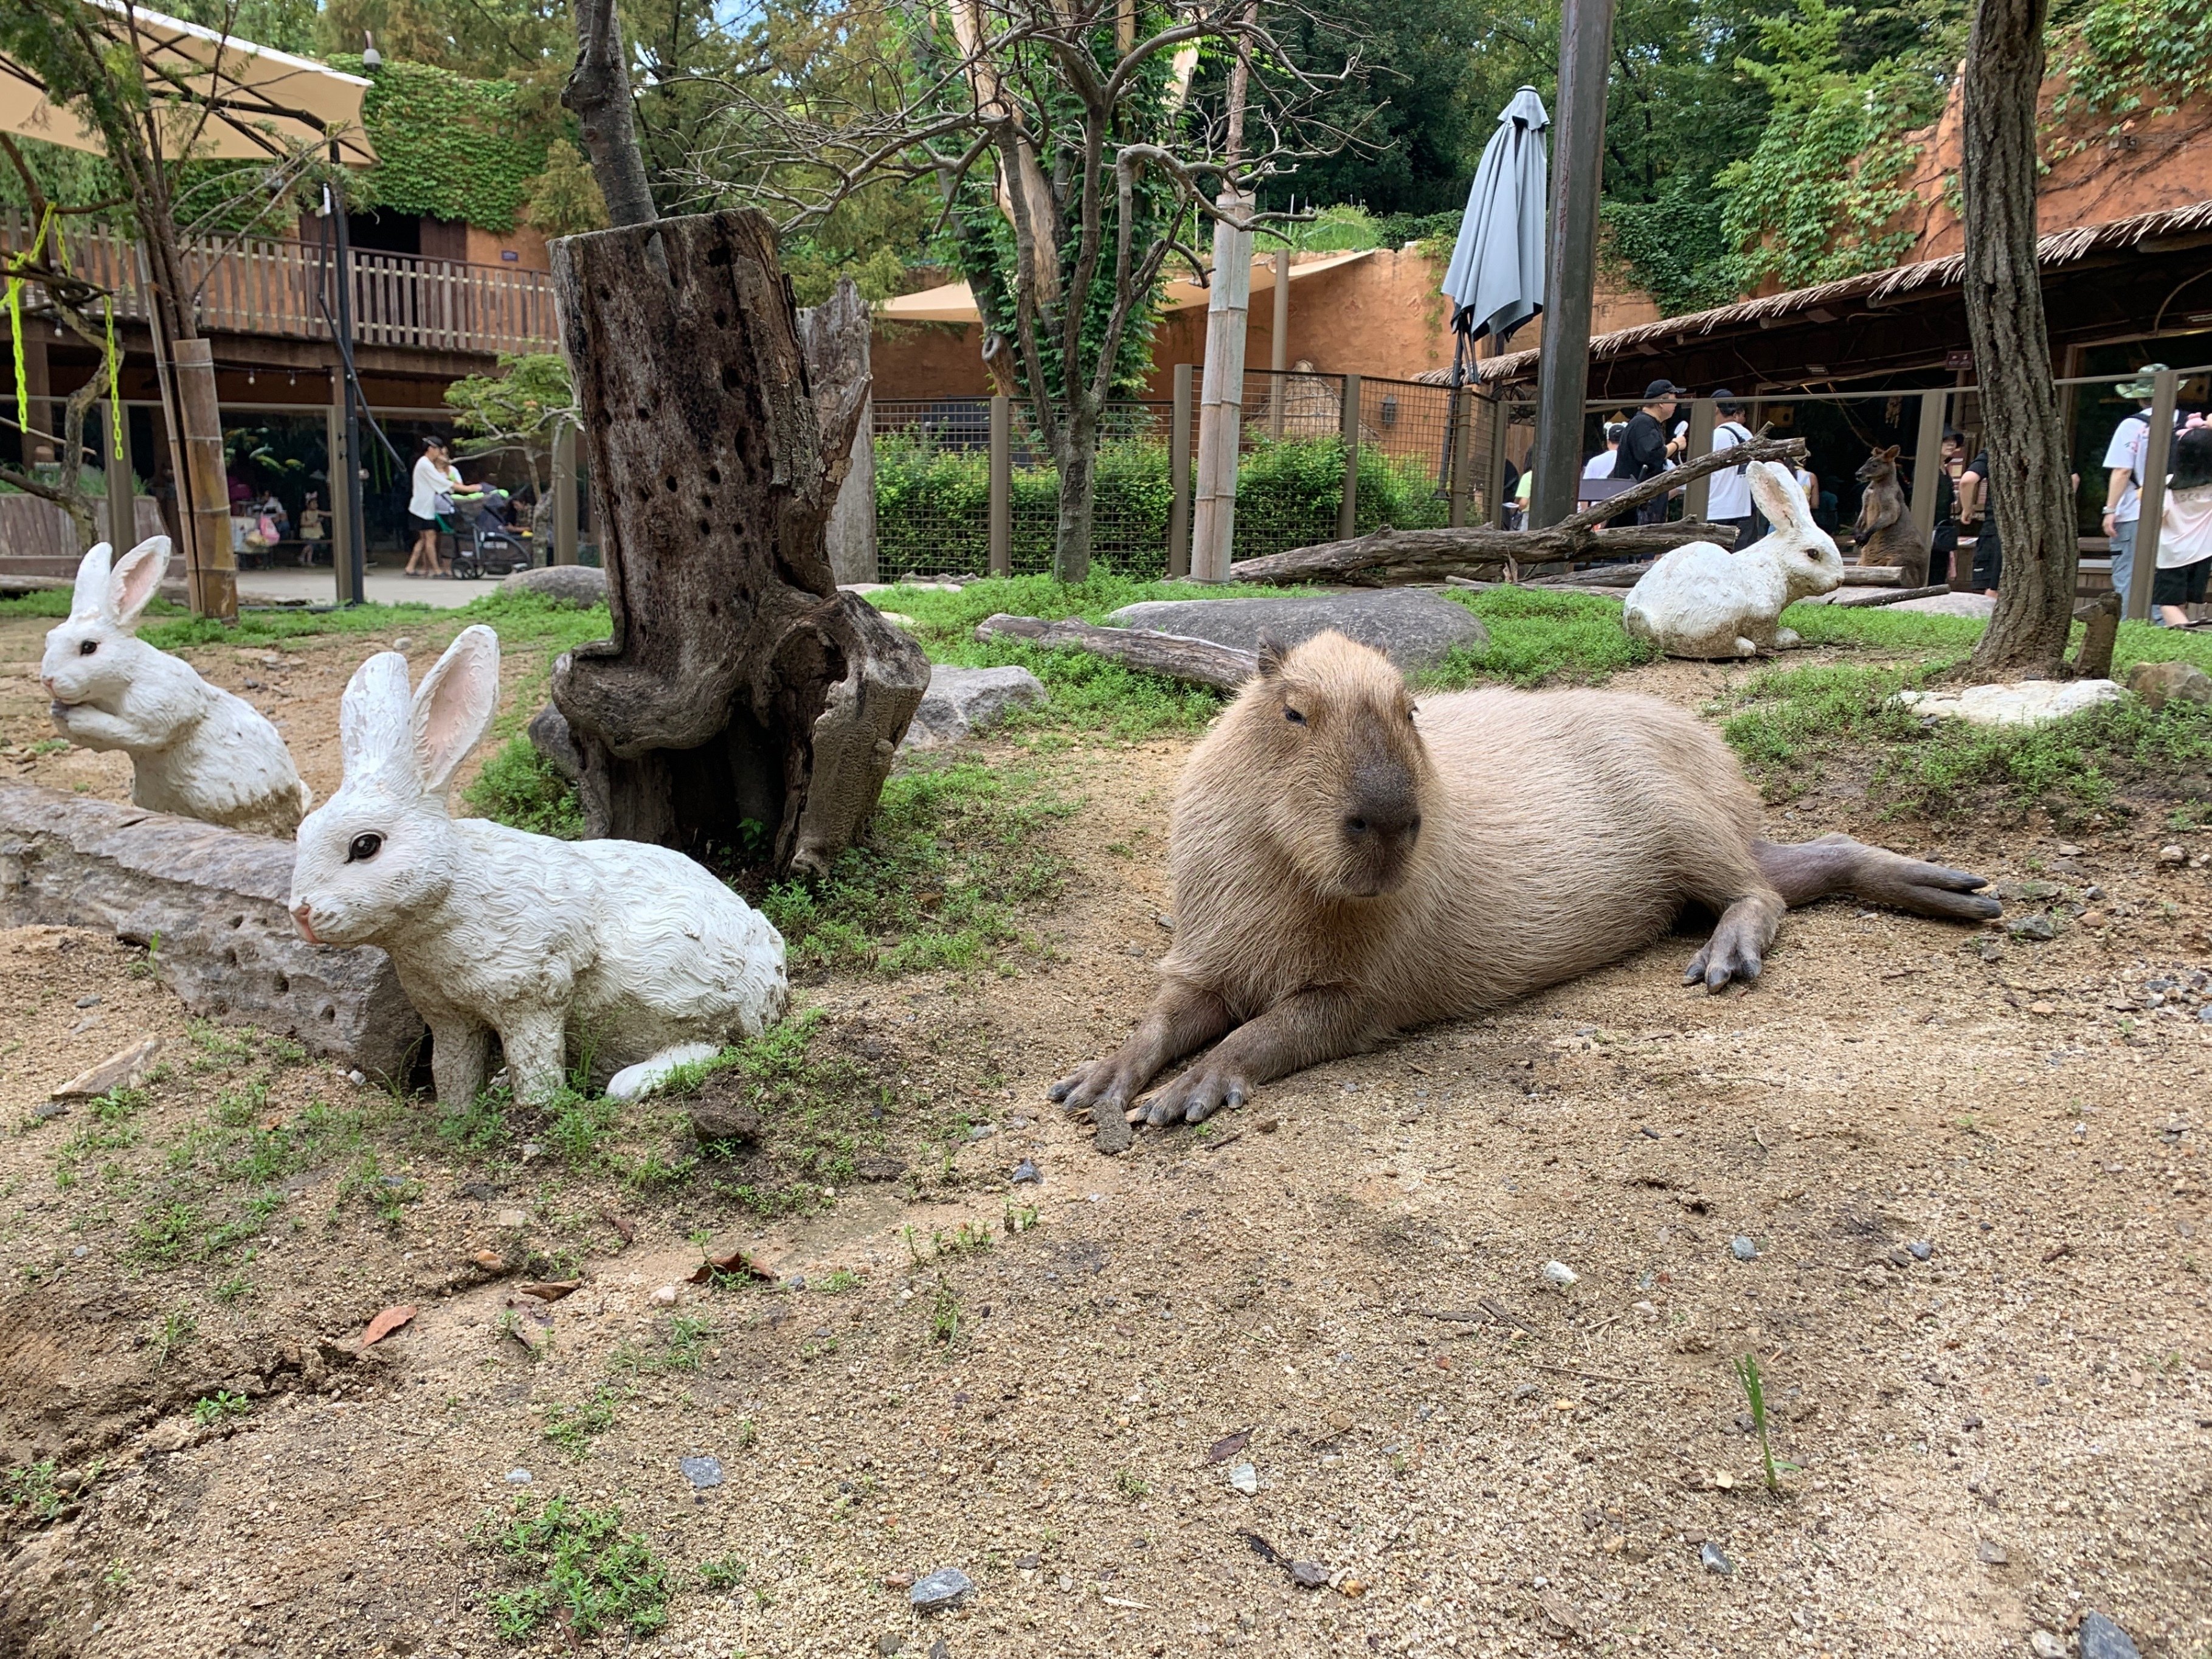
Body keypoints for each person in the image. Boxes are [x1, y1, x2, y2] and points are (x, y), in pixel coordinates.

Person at [2101, 365, 2165, 607]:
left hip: (2135, 510)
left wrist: (2110, 510)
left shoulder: (2132, 425)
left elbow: (2122, 470)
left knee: (2130, 572)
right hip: (2180, 512)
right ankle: (2166, 626)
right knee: (2166, 573)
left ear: (2139, 396)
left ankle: (2132, 627)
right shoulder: (2188, 423)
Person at [2153, 418, 2212, 627]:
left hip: (2172, 555)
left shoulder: (2169, 485)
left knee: (2167, 603)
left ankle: (2188, 637)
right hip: (2203, 553)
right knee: (2182, 603)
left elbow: (2158, 517)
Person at [1611, 380, 1682, 525]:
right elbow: (1651, 455)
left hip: (1644, 505)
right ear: (1662, 402)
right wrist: (1676, 445)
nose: (1677, 404)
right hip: (1638, 508)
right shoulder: (1643, 423)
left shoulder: (1646, 423)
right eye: (1674, 399)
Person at [1702, 390, 1760, 545]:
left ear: (1714, 409)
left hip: (1717, 509)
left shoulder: (1715, 436)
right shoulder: (1747, 435)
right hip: (1744, 509)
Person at [406, 437, 460, 578]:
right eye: (438, 450)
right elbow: (440, 482)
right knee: (430, 538)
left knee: (424, 539)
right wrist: (468, 488)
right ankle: (437, 570)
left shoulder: (425, 464)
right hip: (423, 508)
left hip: (422, 507)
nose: (440, 453)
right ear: (431, 449)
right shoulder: (425, 464)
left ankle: (410, 567)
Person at [1929, 428, 1966, 588]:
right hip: (1928, 529)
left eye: (1953, 440)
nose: (1951, 443)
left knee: (1940, 571)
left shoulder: (1945, 470)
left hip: (1942, 530)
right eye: (1945, 440)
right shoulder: (1927, 469)